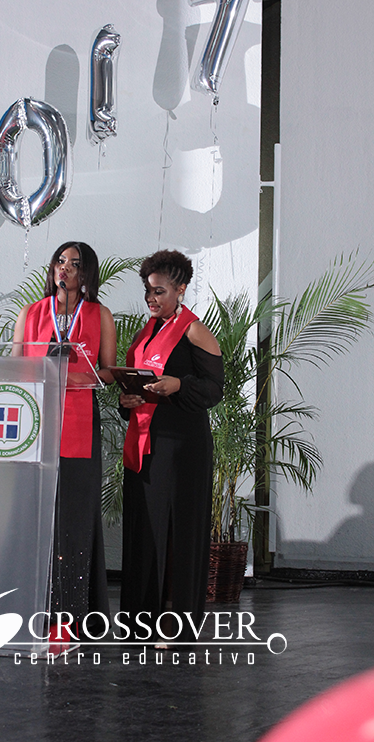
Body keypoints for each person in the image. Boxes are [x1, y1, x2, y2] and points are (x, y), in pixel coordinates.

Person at [119, 249, 224, 645]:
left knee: (179, 533)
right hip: (145, 445)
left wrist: (179, 384)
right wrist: (127, 400)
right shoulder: (145, 332)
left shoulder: (195, 330)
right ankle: (140, 623)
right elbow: (136, 382)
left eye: (159, 291)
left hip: (183, 449)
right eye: (148, 291)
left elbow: (214, 389)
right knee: (146, 531)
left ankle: (178, 625)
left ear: (180, 290)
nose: (151, 299)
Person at [13, 241, 116, 637]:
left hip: (78, 423)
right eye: (60, 261)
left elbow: (109, 372)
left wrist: (77, 376)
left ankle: (70, 616)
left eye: (74, 263)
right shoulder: (31, 313)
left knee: (73, 518)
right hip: (34, 425)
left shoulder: (99, 314)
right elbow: (13, 365)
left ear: (86, 273)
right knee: (35, 518)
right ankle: (30, 610)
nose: (65, 268)